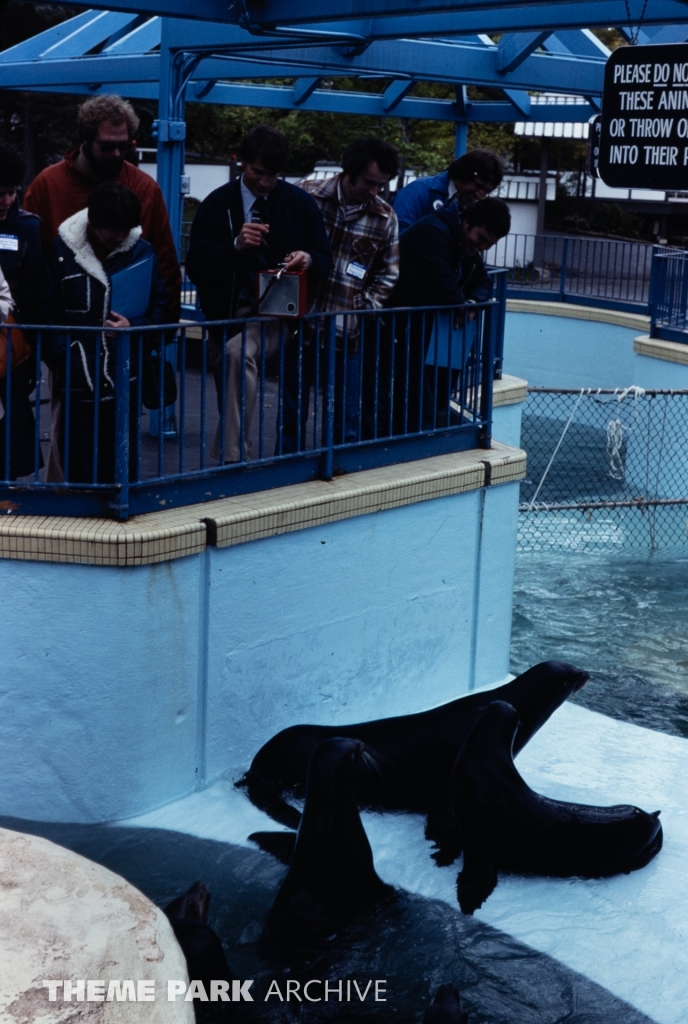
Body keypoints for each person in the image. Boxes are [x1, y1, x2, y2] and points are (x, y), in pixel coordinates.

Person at [185, 124, 331, 463]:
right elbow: (196, 267)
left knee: (237, 356)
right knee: (230, 383)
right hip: (227, 312)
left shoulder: (299, 203)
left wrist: (306, 258)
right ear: (242, 164)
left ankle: (233, 456)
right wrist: (234, 245)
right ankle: (236, 453)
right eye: (258, 172)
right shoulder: (216, 204)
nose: (265, 182)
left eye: (274, 175)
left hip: (278, 310)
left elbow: (324, 259)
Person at [43, 182, 169, 483]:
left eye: (127, 229)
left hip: (124, 374)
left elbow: (161, 307)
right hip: (78, 375)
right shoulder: (60, 252)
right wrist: (65, 356)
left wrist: (134, 327)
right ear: (94, 224)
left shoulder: (141, 252)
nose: (121, 237)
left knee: (122, 459)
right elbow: (44, 311)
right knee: (77, 457)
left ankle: (120, 513)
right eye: (114, 230)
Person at [282, 137, 400, 452]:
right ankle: (287, 466)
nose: (374, 191)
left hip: (348, 330)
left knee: (343, 415)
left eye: (382, 185)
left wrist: (364, 307)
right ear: (349, 171)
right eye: (369, 182)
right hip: (300, 323)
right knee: (291, 409)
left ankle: (337, 471)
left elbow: (389, 271)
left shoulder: (385, 217)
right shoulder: (307, 192)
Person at [23, 95, 181, 318]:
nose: (117, 154)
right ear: (86, 140)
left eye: (124, 146)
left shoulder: (144, 187)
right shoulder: (47, 185)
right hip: (64, 326)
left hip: (126, 328)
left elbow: (165, 265)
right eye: (107, 147)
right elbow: (30, 265)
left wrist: (156, 333)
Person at [386, 195, 511, 434]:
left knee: (422, 384)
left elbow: (482, 282)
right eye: (481, 239)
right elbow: (443, 288)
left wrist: (472, 302)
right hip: (394, 322)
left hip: (417, 324)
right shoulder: (433, 232)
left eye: (489, 245)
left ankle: (420, 428)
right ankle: (406, 433)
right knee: (404, 383)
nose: (482, 248)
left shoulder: (460, 238)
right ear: (466, 223)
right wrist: (462, 304)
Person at [0, 141, 44, 479]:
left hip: (12, 353)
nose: (7, 201)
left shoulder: (29, 228)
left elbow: (35, 294)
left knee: (9, 446)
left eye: (12, 192)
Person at [393, 149, 505, 235]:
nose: (480, 195)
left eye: (487, 191)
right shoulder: (419, 190)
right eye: (478, 186)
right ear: (464, 173)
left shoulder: (468, 207)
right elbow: (397, 235)